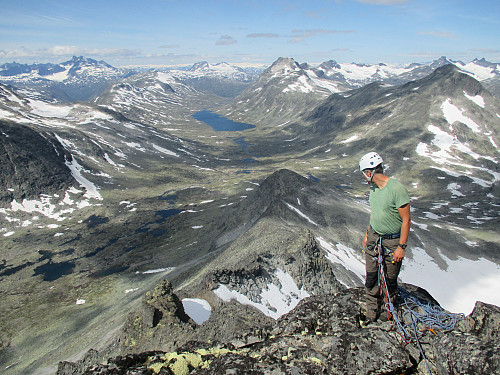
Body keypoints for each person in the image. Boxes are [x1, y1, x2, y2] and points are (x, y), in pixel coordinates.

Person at [359, 152, 411, 323]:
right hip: (375, 237)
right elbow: (375, 214)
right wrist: (368, 234)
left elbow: (406, 219)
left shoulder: (396, 189)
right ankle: (371, 313)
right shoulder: (373, 190)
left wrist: (401, 247)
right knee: (371, 277)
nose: (364, 177)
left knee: (389, 280)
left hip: (392, 240)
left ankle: (387, 313)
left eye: (363, 173)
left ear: (369, 172)